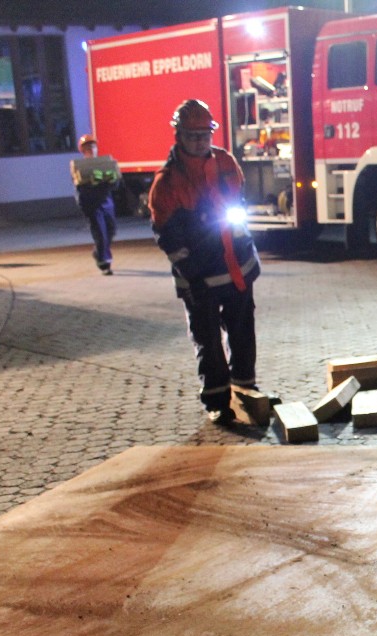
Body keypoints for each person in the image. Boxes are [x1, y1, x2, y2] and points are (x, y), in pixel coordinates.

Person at [148, 99, 262, 426]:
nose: (200, 142)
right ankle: (217, 400)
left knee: (242, 332)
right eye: (192, 136)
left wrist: (245, 250)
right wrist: (191, 274)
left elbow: (238, 202)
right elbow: (168, 237)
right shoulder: (167, 183)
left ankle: (245, 391)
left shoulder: (225, 162)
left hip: (236, 268)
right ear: (179, 136)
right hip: (199, 278)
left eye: (204, 135)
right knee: (208, 341)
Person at [71, 134, 121, 275]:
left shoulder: (105, 165)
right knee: (100, 234)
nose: (91, 149)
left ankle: (98, 252)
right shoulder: (80, 168)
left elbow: (115, 184)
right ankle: (104, 264)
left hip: (106, 202)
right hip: (92, 204)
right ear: (82, 150)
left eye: (93, 146)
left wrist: (113, 180)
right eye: (87, 147)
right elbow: (79, 188)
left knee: (111, 230)